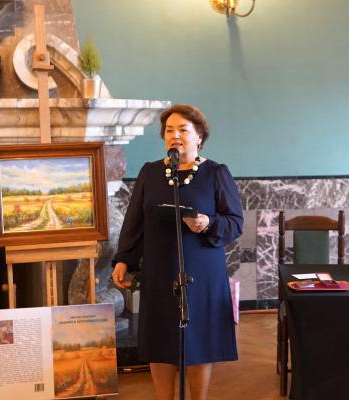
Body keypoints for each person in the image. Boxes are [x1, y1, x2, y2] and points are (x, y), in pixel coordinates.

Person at [111, 104, 243, 400]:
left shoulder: (215, 173)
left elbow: (235, 222)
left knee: (198, 341)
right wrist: (124, 260)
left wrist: (209, 223)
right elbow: (134, 222)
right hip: (159, 269)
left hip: (202, 271)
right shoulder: (150, 172)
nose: (175, 135)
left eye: (183, 129)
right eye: (169, 130)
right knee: (160, 339)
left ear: (199, 137)